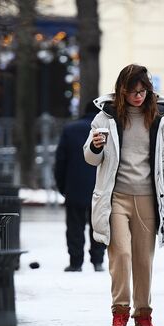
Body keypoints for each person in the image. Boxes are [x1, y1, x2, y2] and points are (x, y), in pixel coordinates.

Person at [83, 64, 164, 326]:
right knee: (121, 255)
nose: (138, 97)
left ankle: (143, 319)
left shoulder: (159, 118)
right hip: (116, 197)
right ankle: (119, 312)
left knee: (144, 260)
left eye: (143, 91)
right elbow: (91, 158)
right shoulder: (105, 118)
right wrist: (95, 146)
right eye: (133, 92)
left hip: (148, 198)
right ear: (122, 90)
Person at [54, 103, 106, 272]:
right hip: (99, 186)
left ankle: (76, 262)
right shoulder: (105, 132)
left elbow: (60, 162)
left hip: (75, 186)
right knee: (98, 225)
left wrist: (63, 186)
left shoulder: (70, 130)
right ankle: (97, 261)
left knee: (75, 226)